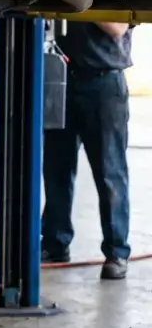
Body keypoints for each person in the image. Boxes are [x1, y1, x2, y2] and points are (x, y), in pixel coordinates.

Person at [41, 20, 132, 280]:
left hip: (104, 83)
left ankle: (117, 251)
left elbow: (117, 27)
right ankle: (55, 243)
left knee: (109, 171)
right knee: (57, 168)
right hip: (63, 79)